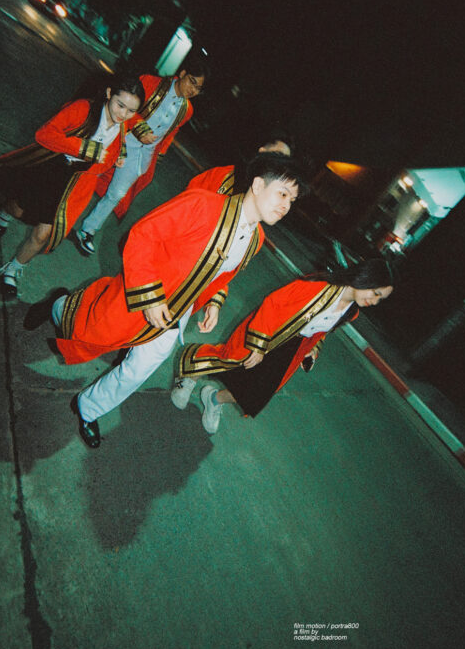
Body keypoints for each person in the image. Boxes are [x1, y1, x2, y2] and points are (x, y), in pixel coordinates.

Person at [24, 155, 309, 449]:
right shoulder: (202, 203)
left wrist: (214, 302)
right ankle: (57, 305)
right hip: (143, 292)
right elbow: (142, 236)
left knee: (140, 366)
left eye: (292, 200)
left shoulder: (255, 240)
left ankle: (88, 408)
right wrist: (149, 297)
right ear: (258, 185)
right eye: (282, 194)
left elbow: (219, 274)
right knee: (89, 327)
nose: (286, 205)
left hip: (175, 313)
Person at [0, 75, 145, 297]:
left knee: (44, 234)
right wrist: (82, 148)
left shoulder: (124, 124)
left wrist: (117, 155)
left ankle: (12, 270)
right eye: (120, 105)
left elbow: (123, 134)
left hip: (73, 182)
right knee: (19, 209)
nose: (123, 114)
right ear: (109, 93)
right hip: (50, 166)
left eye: (130, 110)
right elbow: (44, 134)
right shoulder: (83, 109)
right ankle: (5, 213)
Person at [171, 259, 395, 432]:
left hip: (292, 348)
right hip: (267, 330)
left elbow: (322, 331)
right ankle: (188, 375)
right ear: (365, 278)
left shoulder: (351, 312)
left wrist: (313, 349)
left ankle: (213, 399)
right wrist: (258, 346)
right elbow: (273, 303)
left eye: (380, 299)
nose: (374, 301)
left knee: (257, 394)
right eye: (375, 293)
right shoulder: (319, 285)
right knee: (229, 361)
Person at [73, 54, 208, 255]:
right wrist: (140, 129)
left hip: (141, 155)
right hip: (121, 137)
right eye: (192, 82)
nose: (193, 90)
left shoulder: (187, 110)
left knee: (117, 194)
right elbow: (125, 106)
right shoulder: (150, 82)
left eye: (198, 88)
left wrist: (159, 153)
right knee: (87, 173)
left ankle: (87, 230)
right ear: (182, 74)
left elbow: (171, 133)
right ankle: (62, 211)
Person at [187, 130, 294, 196]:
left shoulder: (266, 197)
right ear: (262, 151)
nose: (280, 162)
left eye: (285, 160)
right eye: (278, 154)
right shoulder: (225, 174)